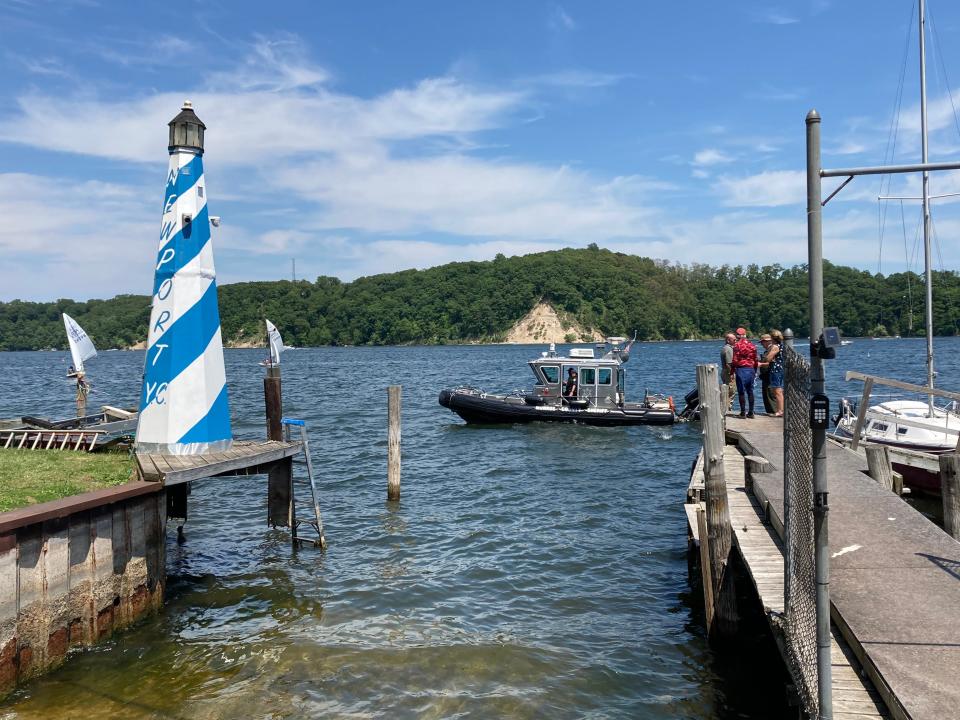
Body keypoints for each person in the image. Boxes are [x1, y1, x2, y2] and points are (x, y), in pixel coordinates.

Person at [731, 327, 759, 418]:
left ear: (737, 335)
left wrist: (732, 371)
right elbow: (755, 359)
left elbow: (734, 360)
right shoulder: (752, 345)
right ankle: (751, 412)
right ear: (745, 334)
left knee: (741, 392)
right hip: (750, 369)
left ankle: (743, 412)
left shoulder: (737, 346)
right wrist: (754, 370)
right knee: (750, 391)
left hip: (741, 369)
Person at [759, 330, 785, 416]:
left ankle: (780, 411)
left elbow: (768, 359)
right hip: (779, 369)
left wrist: (767, 357)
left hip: (776, 370)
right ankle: (780, 410)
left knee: (777, 391)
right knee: (778, 391)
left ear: (773, 338)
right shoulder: (781, 346)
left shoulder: (775, 347)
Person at [757, 334, 775, 414]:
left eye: (762, 342)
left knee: (771, 397)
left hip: (770, 377)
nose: (761, 344)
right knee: (766, 397)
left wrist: (761, 364)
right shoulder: (767, 351)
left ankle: (774, 412)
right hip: (765, 377)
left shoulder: (772, 350)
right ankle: (770, 413)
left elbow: (773, 363)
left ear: (767, 341)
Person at [720, 333, 736, 412]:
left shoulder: (725, 348)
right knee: (730, 392)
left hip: (725, 372)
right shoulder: (728, 349)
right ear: (728, 340)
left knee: (727, 391)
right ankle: (727, 410)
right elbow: (729, 363)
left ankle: (726, 409)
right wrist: (732, 373)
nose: (736, 341)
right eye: (734, 339)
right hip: (728, 373)